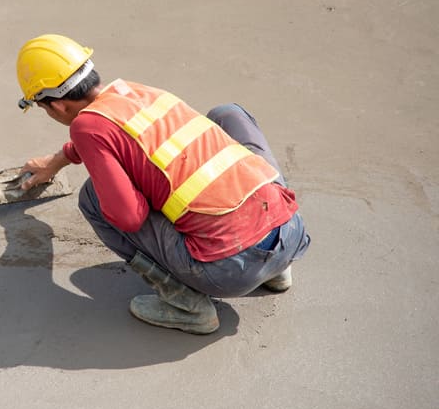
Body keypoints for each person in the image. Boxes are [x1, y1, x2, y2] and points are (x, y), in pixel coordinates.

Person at [16, 34, 311, 334]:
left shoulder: (84, 126)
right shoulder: (134, 92)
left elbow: (128, 217)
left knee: (92, 197)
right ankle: (277, 272)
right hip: (291, 232)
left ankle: (188, 306)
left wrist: (142, 187)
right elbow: (107, 137)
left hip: (231, 271)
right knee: (227, 115)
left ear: (57, 106)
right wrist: (56, 162)